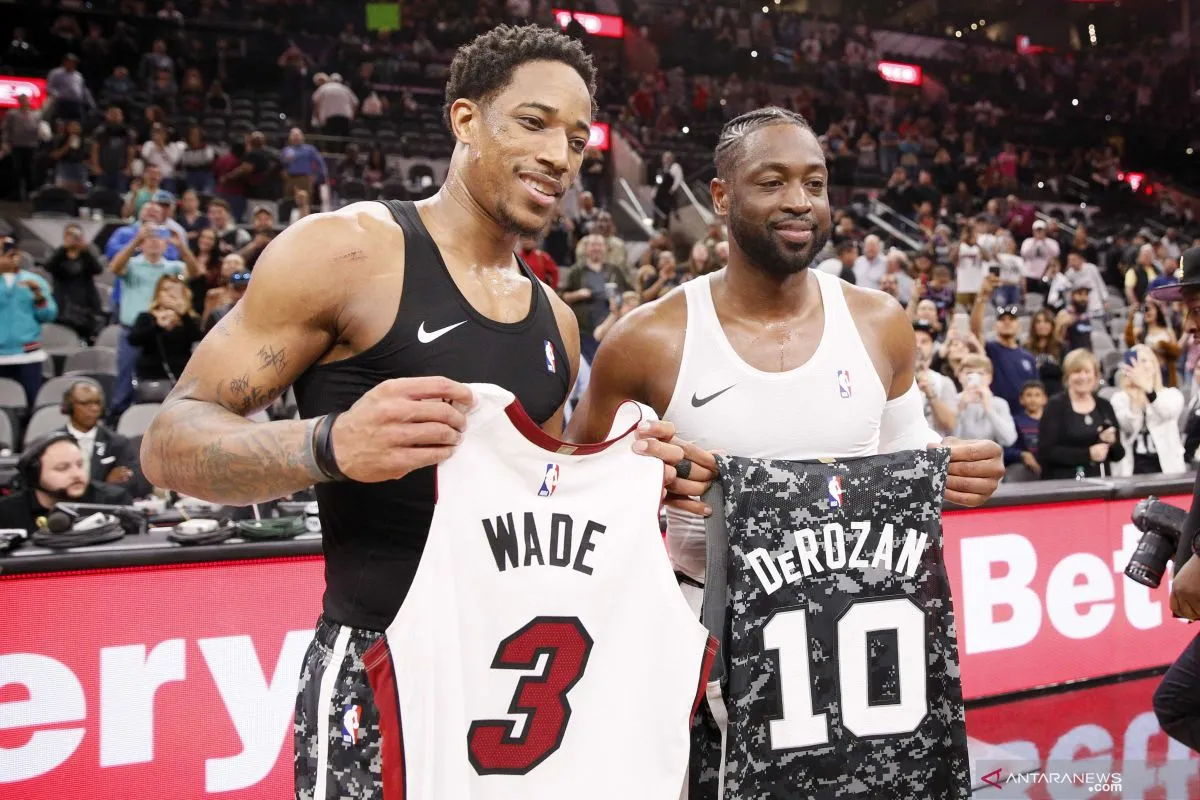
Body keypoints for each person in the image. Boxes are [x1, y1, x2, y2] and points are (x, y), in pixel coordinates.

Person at [137, 25, 689, 800]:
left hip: (510, 685)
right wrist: (331, 445)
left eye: (575, 140)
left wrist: (632, 474)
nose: (560, 157)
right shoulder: (348, 253)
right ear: (465, 119)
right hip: (378, 666)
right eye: (533, 123)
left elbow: (538, 506)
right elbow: (168, 443)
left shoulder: (558, 324)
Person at [564, 105, 1003, 795]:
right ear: (720, 196)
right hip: (706, 654)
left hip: (861, 654)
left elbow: (905, 448)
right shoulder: (649, 339)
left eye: (815, 183)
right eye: (772, 182)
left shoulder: (879, 322)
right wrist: (638, 477)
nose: (800, 201)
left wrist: (955, 464)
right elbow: (572, 482)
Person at [0, 433, 131, 534]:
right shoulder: (6, 512)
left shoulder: (114, 501)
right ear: (34, 474)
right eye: (62, 468)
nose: (77, 474)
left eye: (80, 465)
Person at [1036, 348, 1124, 479]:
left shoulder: (1104, 406)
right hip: (1063, 482)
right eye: (1077, 372)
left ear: (1096, 376)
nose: (1083, 377)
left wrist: (1112, 442)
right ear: (1068, 376)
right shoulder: (1055, 405)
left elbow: (1118, 455)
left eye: (1087, 371)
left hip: (1100, 482)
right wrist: (1087, 454)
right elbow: (1045, 452)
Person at [1111, 343, 1186, 476]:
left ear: (1155, 365)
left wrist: (1148, 390)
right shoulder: (1119, 399)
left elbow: (1166, 412)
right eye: (1135, 361)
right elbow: (1128, 427)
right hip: (1131, 471)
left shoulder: (1172, 395)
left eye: (1144, 360)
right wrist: (1134, 400)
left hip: (1168, 470)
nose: (1139, 366)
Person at [0, 236, 58, 407]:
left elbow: (49, 315)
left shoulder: (35, 281)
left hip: (28, 354)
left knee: (31, 404)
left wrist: (39, 297)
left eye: (10, 252)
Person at [127, 275, 203, 390]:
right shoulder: (147, 317)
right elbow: (133, 339)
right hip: (151, 376)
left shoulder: (190, 319)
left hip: (182, 377)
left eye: (175, 291)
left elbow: (197, 338)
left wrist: (183, 315)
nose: (170, 294)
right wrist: (157, 325)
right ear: (158, 293)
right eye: (166, 290)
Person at [58, 379, 139, 485]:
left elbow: (130, 485)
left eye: (97, 403)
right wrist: (105, 484)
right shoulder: (54, 444)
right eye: (85, 403)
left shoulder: (118, 443)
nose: (95, 408)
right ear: (68, 407)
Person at [45, 223, 105, 343]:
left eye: (76, 235)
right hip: (63, 304)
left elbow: (97, 270)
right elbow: (49, 267)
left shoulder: (86, 255)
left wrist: (85, 250)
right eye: (69, 235)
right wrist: (64, 249)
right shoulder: (58, 254)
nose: (73, 238)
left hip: (85, 304)